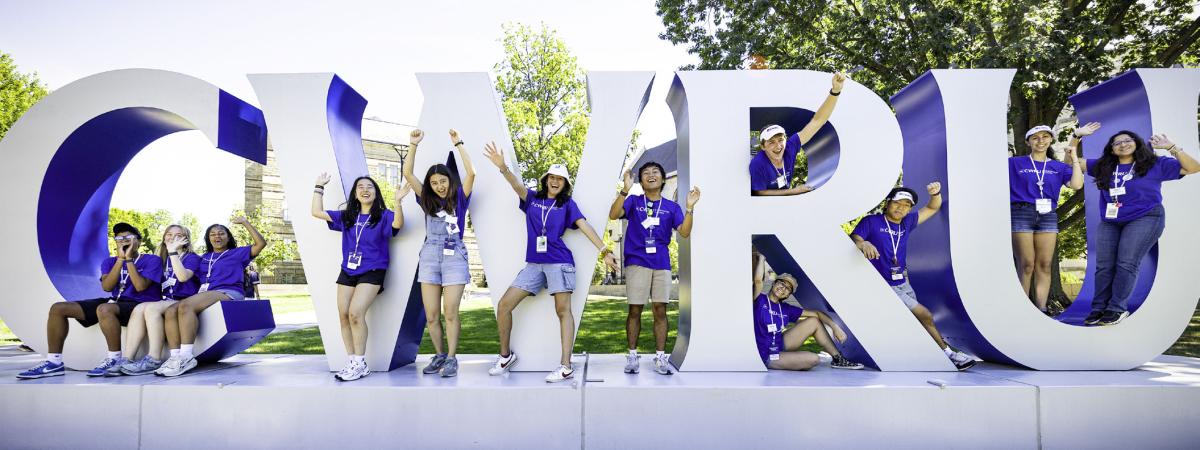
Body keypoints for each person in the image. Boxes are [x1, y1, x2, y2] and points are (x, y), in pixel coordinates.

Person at [482, 141, 620, 382]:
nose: (555, 181)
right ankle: (505, 356)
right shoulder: (533, 199)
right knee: (504, 305)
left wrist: (604, 250)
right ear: (545, 179)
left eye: (560, 179)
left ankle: (566, 366)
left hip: (559, 261)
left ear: (565, 184)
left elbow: (584, 225)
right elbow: (516, 186)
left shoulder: (566, 204)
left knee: (563, 311)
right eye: (551, 177)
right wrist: (503, 167)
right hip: (534, 264)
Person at [850, 184, 976, 370]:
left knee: (913, 323)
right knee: (925, 315)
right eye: (897, 202)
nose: (901, 207)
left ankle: (923, 355)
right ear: (887, 203)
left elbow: (933, 207)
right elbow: (855, 238)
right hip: (882, 284)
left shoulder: (907, 222)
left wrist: (935, 194)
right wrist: (864, 243)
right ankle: (950, 355)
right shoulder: (872, 221)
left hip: (902, 281)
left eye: (906, 205)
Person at [16, 223, 163, 379]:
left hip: (139, 305)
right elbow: (107, 287)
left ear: (138, 241)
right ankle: (54, 362)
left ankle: (114, 359)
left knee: (104, 309)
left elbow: (140, 286)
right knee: (58, 308)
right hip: (114, 301)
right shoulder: (110, 262)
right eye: (119, 238)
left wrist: (128, 261)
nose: (123, 241)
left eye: (128, 237)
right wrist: (120, 260)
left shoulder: (151, 260)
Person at [1082, 132, 1199, 325]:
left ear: (1136, 143)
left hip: (1145, 217)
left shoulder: (1155, 164)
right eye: (1117, 142)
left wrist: (1171, 148)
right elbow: (1071, 161)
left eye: (1127, 140)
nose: (1122, 144)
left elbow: (1194, 168)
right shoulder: (1104, 166)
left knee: (1126, 262)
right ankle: (1099, 308)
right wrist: (1076, 137)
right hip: (1111, 221)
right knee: (1104, 266)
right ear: (1111, 148)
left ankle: (1116, 308)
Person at [312, 172, 409, 381]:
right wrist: (318, 187)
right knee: (344, 315)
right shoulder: (347, 216)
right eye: (360, 187)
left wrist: (398, 202)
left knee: (356, 313)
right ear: (355, 194)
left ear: (376, 193)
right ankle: (353, 362)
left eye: (370, 187)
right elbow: (316, 212)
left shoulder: (384, 215)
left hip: (373, 269)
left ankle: (360, 362)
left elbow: (398, 225)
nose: (365, 190)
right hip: (347, 270)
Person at [608, 161, 700, 375]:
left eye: (655, 172)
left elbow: (684, 232)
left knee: (660, 310)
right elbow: (613, 214)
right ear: (641, 180)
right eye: (646, 173)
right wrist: (624, 189)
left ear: (662, 178)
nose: (651, 175)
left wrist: (689, 208)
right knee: (635, 309)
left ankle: (660, 357)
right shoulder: (633, 200)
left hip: (661, 263)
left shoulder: (671, 206)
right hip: (637, 262)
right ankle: (632, 355)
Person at [402, 128, 476, 378]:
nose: (439, 186)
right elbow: (408, 174)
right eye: (434, 183)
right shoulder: (426, 200)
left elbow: (472, 173)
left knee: (451, 311)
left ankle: (453, 358)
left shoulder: (460, 198)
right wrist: (413, 145)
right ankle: (440, 355)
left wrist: (459, 143)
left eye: (443, 181)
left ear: (449, 181)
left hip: (455, 256)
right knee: (432, 315)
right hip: (430, 256)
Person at [156, 217, 266, 377]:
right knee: (172, 310)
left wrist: (245, 223)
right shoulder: (204, 258)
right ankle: (175, 358)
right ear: (208, 239)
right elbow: (186, 276)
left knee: (186, 306)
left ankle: (187, 357)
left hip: (229, 292)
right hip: (207, 294)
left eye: (221, 233)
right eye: (212, 234)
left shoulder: (237, 253)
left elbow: (260, 244)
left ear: (228, 237)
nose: (217, 236)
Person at [1010, 123, 1096, 314]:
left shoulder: (1057, 166)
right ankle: (1021, 309)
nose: (1041, 141)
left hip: (1048, 214)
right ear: (1028, 142)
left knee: (1045, 264)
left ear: (1050, 140)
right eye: (1036, 138)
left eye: (1045, 137)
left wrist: (1074, 159)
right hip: (1021, 211)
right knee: (1026, 263)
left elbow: (1076, 185)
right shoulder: (1015, 163)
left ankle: (1041, 308)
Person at [119, 225, 201, 375]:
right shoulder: (161, 259)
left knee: (151, 308)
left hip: (186, 301)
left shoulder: (192, 258)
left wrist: (173, 251)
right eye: (168, 234)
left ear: (186, 239)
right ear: (164, 238)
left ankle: (154, 358)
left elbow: (182, 277)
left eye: (178, 235)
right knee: (139, 308)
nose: (172, 237)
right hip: (167, 300)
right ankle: (127, 358)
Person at [749, 72, 847, 196]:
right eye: (771, 142)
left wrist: (835, 91)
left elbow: (818, 121)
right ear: (763, 146)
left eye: (780, 139)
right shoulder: (758, 163)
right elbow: (759, 192)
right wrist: (792, 191)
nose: (778, 146)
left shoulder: (790, 146)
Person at [750, 269, 863, 371]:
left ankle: (838, 359)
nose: (783, 288)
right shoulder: (758, 299)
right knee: (814, 359)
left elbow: (817, 314)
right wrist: (761, 258)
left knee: (813, 321)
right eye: (781, 283)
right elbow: (758, 281)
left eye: (788, 288)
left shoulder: (785, 308)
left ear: (788, 294)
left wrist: (835, 327)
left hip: (778, 345)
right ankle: (775, 362)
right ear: (774, 283)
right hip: (764, 353)